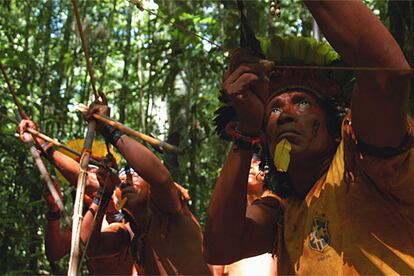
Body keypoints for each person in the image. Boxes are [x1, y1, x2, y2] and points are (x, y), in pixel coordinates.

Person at [204, 0, 414, 274]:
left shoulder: (360, 164)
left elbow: (388, 77)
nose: (284, 114)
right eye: (274, 108)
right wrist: (246, 132)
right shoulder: (280, 209)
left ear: (332, 123)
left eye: (302, 102)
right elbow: (219, 248)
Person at [83, 102, 212, 275]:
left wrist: (109, 129)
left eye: (136, 175)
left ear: (151, 186)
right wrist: (104, 191)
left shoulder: (170, 213)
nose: (126, 183)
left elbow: (161, 178)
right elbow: (90, 246)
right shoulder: (130, 235)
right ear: (116, 199)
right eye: (120, 182)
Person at [213, 154, 278, 276]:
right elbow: (217, 264)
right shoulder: (229, 219)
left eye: (257, 161)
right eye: (248, 160)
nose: (251, 164)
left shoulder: (282, 213)